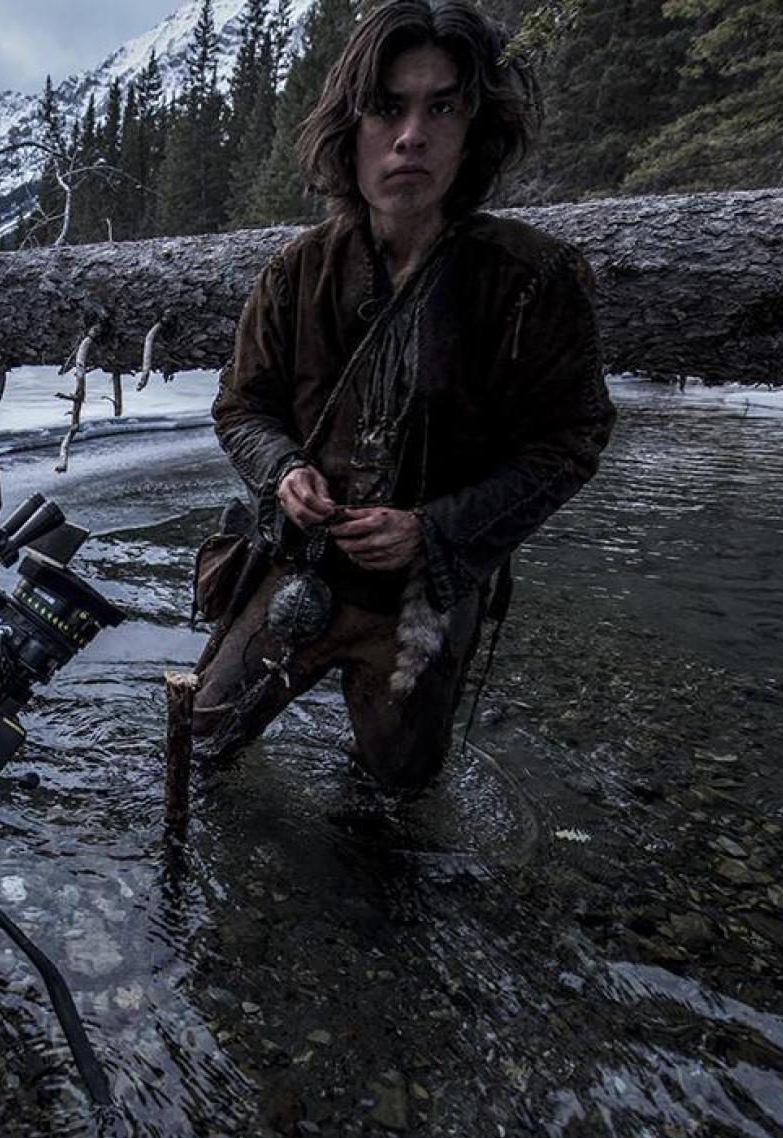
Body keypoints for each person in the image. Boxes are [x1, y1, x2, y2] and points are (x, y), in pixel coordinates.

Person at [194, 0, 614, 789]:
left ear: (472, 128)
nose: (411, 135)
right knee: (196, 744)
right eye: (387, 108)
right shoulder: (296, 273)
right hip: (299, 569)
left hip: (428, 595)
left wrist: (434, 530)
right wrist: (284, 469)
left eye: (441, 106)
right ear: (349, 131)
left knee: (395, 805)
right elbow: (241, 407)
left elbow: (571, 441)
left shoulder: (533, 279)